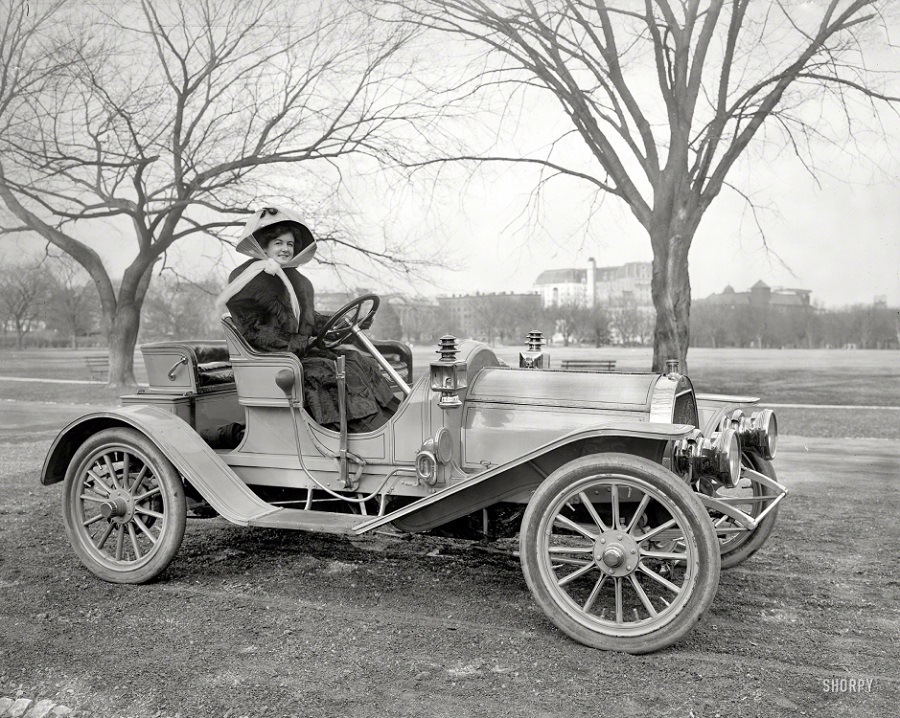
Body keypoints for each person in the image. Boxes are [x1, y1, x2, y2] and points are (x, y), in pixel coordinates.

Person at [216, 206, 394, 432]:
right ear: (266, 246)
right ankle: (349, 434)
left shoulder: (294, 279)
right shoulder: (246, 280)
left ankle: (383, 424)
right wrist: (301, 343)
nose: (285, 249)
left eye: (290, 244)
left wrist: (346, 321)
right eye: (278, 243)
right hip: (274, 357)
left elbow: (309, 320)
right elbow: (254, 331)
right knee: (325, 370)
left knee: (357, 360)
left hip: (299, 353)